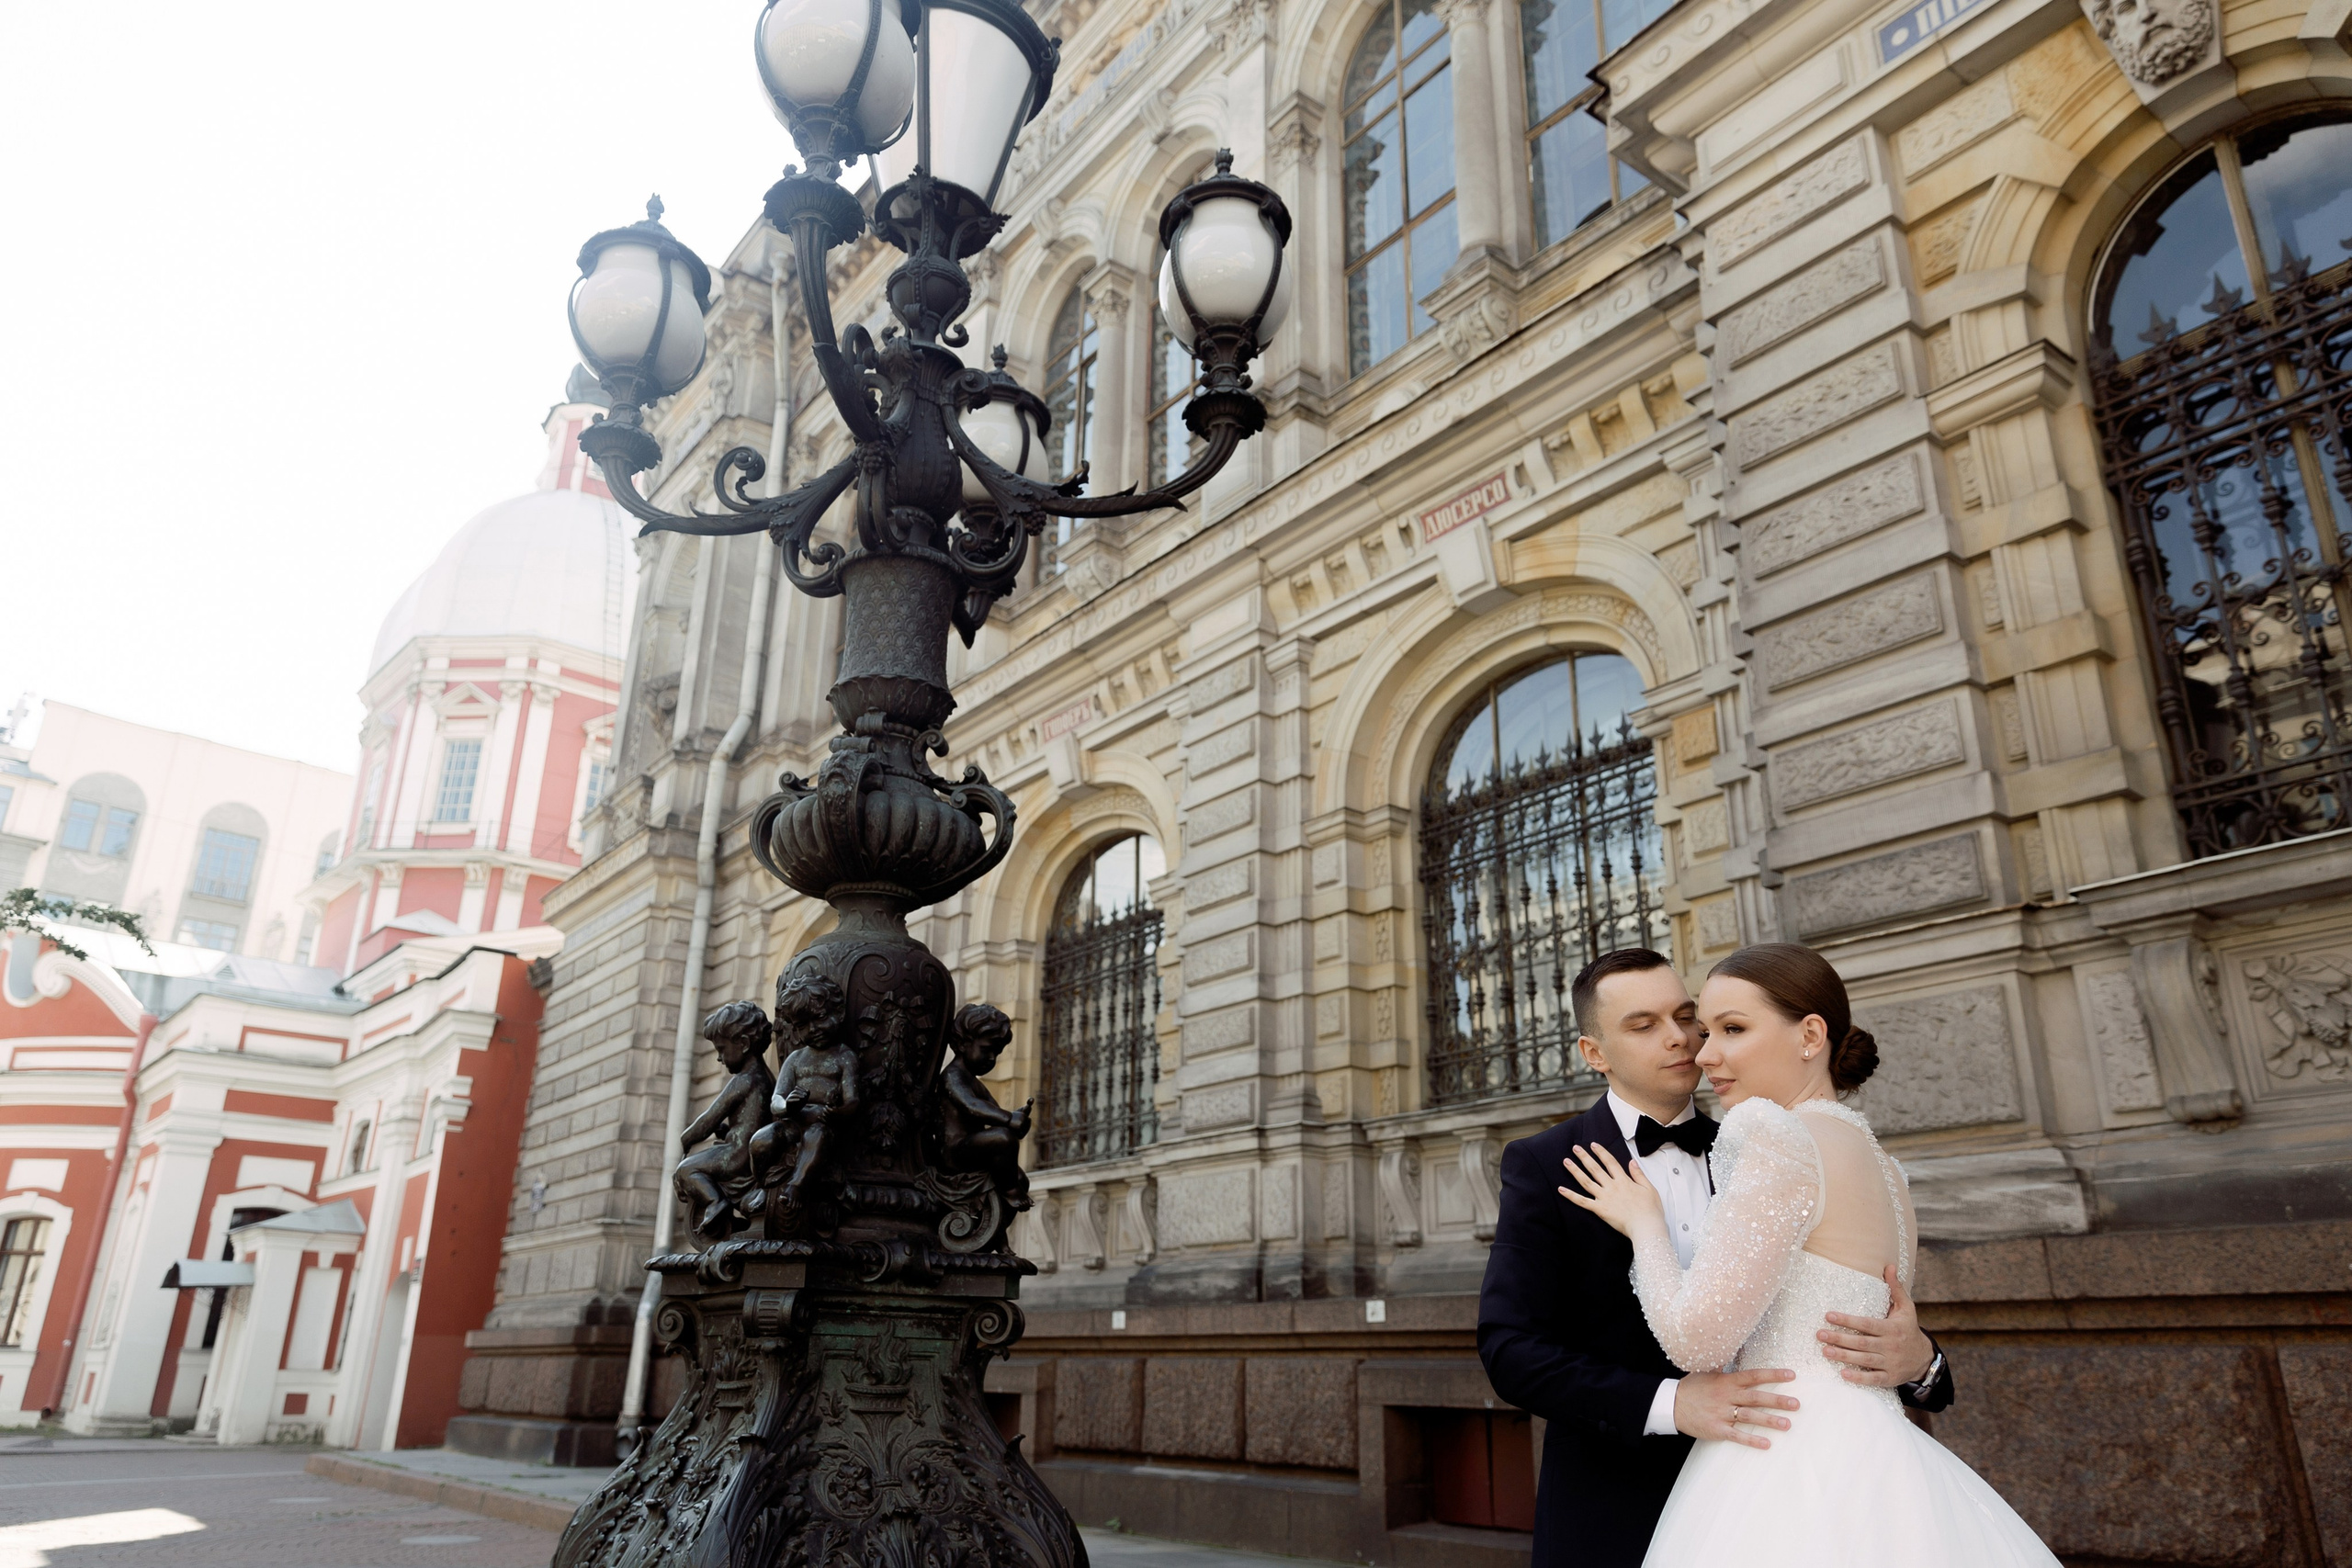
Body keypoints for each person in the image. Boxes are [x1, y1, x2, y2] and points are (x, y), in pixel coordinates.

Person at [1560, 943, 2058, 1566]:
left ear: (1811, 1034)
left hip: (1785, 1453)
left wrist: (1645, 1225)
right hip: (1883, 1458)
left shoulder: (1770, 1133)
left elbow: (1697, 1342)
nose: (1703, 1051)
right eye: (1706, 1030)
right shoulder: (1886, 1165)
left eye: (1732, 1029)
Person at [1476, 947, 1954, 1568]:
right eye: (1644, 1025)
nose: (1681, 1039)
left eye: (1687, 1017)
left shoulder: (1769, 1138)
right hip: (1616, 1507)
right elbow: (1511, 1349)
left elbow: (1842, 1303)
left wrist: (1924, 1362)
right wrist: (1673, 1403)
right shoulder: (1546, 1162)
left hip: (1800, 1492)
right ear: (1594, 1052)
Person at [673, 1000, 775, 1240]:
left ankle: (716, 1202)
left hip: (738, 1156)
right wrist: (727, 1130)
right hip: (741, 1149)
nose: (719, 1058)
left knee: (686, 1170)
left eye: (721, 1049)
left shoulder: (744, 1079)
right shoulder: (763, 1076)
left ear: (743, 1044)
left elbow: (707, 1120)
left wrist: (687, 1138)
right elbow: (751, 1120)